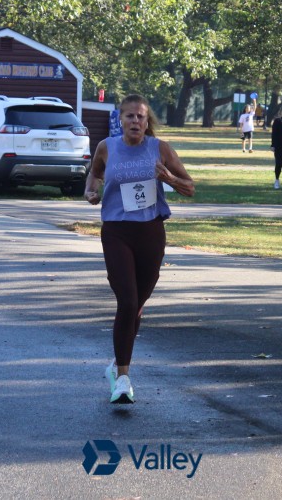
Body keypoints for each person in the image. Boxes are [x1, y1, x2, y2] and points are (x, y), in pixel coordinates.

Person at [83, 94, 194, 404]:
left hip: (150, 233)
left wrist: (168, 177)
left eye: (140, 117)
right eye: (129, 116)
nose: (135, 121)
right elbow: (94, 175)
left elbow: (190, 187)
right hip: (117, 231)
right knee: (128, 302)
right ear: (120, 119)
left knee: (138, 305)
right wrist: (91, 192)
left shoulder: (160, 149)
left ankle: (117, 363)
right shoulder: (107, 147)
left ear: (147, 122)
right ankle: (123, 378)